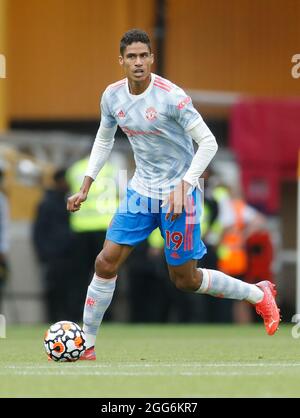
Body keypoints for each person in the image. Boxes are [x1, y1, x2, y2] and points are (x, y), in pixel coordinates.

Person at [66, 29, 280, 361]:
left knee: (185, 279)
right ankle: (87, 345)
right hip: (141, 192)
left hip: (181, 195)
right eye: (131, 57)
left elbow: (209, 143)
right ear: (121, 61)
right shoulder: (111, 97)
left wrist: (185, 184)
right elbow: (104, 139)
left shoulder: (172, 97)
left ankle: (258, 293)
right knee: (105, 262)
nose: (138, 63)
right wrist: (85, 185)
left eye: (143, 56)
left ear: (152, 58)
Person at [33, 168, 74, 322]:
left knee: (69, 289)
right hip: (53, 255)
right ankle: (52, 320)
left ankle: (69, 319)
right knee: (53, 290)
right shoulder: (47, 203)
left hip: (69, 255)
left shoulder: (68, 200)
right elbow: (38, 231)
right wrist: (45, 254)